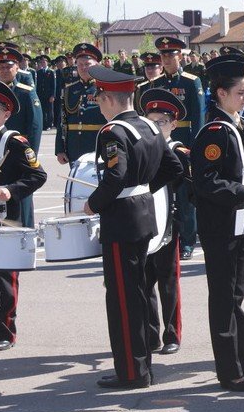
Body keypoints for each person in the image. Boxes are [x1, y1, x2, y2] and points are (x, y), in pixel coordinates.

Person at [84, 65, 182, 389]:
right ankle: (141, 365)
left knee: (123, 299)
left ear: (107, 98)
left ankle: (131, 372)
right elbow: (173, 168)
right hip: (144, 217)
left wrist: (93, 204)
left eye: (98, 98)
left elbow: (114, 176)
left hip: (121, 222)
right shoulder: (151, 128)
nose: (98, 104)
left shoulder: (113, 132)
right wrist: (144, 191)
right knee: (137, 293)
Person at [191, 53, 244, 391]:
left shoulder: (242, 125)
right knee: (223, 299)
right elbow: (205, 182)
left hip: (241, 223)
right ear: (221, 93)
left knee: (236, 297)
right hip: (220, 224)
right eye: (240, 92)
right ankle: (229, 371)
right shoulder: (214, 132)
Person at [0, 79, 46, 352]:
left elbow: (38, 175)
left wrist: (11, 190)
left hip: (6, 217)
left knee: (4, 278)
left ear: (6, 113)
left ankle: (6, 331)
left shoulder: (15, 142)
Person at [140, 88, 192, 356]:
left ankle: (172, 334)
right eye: (151, 121)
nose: (156, 126)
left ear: (173, 124)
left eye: (161, 121)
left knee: (168, 282)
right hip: (144, 224)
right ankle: (150, 334)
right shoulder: (140, 149)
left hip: (170, 225)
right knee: (145, 281)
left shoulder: (180, 151)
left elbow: (182, 189)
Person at [148, 37, 205, 261]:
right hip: (159, 147)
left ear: (180, 56)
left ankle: (188, 241)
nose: (167, 59)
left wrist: (194, 148)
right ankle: (166, 235)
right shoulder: (155, 83)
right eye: (163, 55)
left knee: (184, 197)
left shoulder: (192, 82)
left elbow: (198, 118)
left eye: (171, 55)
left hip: (182, 145)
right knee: (163, 195)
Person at [0, 45, 42, 229]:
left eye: (8, 67)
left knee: (22, 197)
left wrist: (30, 156)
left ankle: (27, 233)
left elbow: (35, 126)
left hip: (18, 153)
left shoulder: (25, 91)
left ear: (17, 67)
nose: (5, 71)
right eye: (1, 67)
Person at [55, 44, 105, 165]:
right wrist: (60, 149)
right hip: (74, 148)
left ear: (96, 65)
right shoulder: (69, 90)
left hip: (97, 146)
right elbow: (62, 120)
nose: (83, 68)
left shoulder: (104, 89)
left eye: (87, 64)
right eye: (80, 64)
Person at [35, 55, 56, 130]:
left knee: (49, 111)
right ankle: (43, 124)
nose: (43, 63)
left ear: (47, 63)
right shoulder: (39, 72)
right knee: (42, 110)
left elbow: (53, 85)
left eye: (44, 62)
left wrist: (53, 95)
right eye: (42, 62)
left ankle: (49, 124)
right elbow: (37, 84)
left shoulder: (51, 72)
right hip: (41, 94)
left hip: (49, 95)